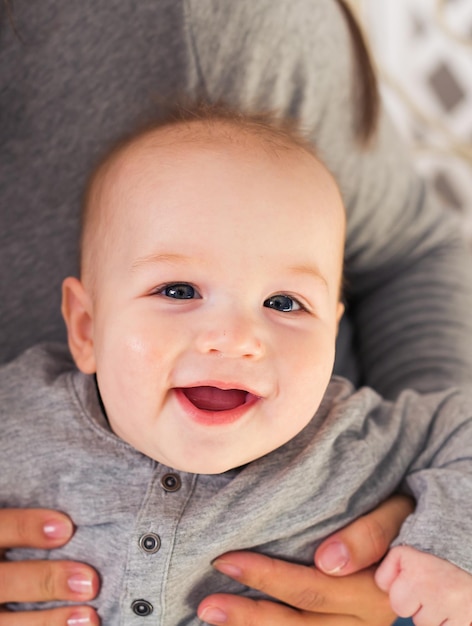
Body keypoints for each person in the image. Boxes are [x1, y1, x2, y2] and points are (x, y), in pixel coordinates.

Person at [2, 1, 472, 625]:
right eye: (177, 291)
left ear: (330, 330)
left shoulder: (355, 441)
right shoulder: (22, 416)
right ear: (86, 328)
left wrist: (444, 546)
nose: (235, 337)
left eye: (284, 303)